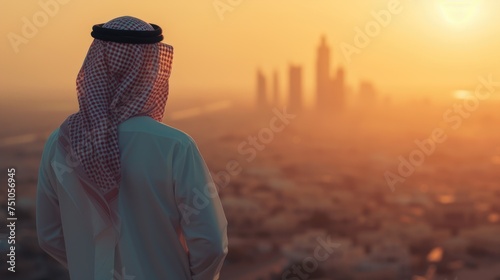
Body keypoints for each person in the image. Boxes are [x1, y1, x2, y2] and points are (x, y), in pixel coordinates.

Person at [36, 16, 228, 280]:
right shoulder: (175, 146)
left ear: (95, 66)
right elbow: (211, 242)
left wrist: (93, 267)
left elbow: (49, 235)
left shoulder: (60, 142)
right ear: (151, 70)